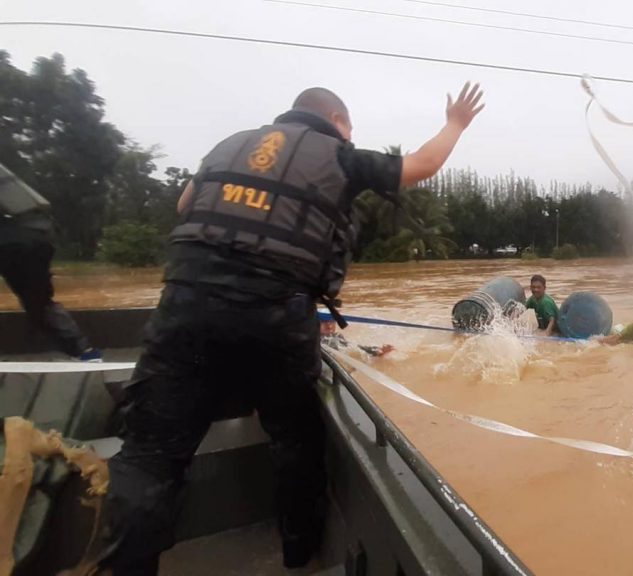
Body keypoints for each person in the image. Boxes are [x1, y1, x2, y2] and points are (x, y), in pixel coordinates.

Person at [100, 83, 485, 574]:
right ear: (338, 122)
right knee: (294, 437)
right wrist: (456, 122)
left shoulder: (228, 145)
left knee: (150, 453)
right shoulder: (340, 155)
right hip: (277, 317)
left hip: (186, 307)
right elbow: (422, 165)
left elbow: (185, 206)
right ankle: (298, 552)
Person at [0, 163, 102, 361]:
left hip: (12, 241)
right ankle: (84, 351)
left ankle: (82, 351)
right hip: (39, 236)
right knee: (39, 301)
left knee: (37, 303)